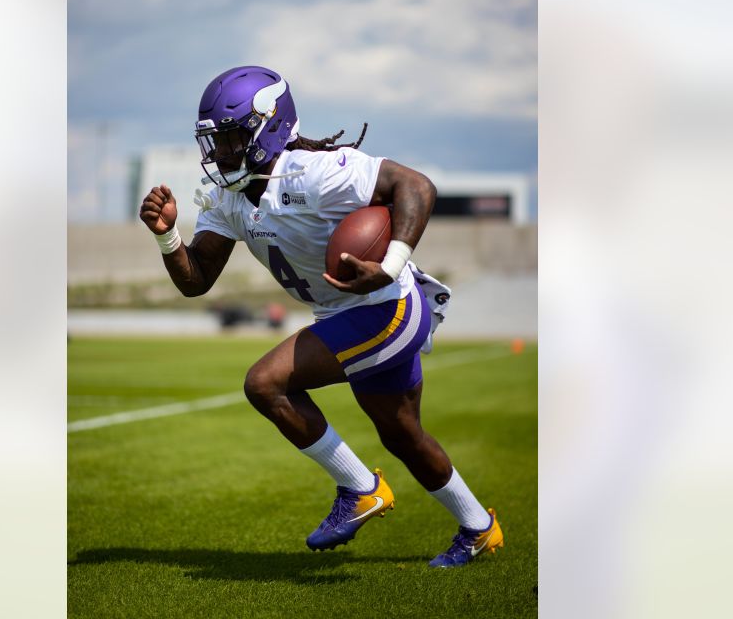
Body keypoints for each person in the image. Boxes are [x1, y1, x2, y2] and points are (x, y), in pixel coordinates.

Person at [137, 65, 502, 568]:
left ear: (267, 128)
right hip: (349, 311)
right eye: (214, 142)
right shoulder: (227, 199)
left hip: (385, 305)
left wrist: (388, 264)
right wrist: (166, 236)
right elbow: (196, 280)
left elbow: (415, 186)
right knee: (402, 434)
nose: (219, 153)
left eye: (231, 138)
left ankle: (360, 489)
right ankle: (480, 528)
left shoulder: (315, 173)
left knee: (265, 383)